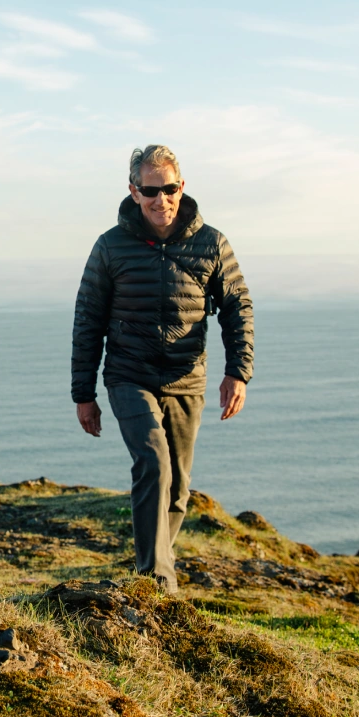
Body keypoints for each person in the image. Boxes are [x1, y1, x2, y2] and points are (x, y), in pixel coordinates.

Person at [71, 145, 254, 593]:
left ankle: (155, 566)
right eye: (150, 190)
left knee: (178, 487)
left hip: (185, 379)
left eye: (168, 189)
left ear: (181, 187)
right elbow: (88, 318)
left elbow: (237, 308)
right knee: (153, 461)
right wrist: (84, 394)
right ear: (134, 191)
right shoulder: (110, 246)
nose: (160, 199)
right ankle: (158, 582)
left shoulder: (211, 243)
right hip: (128, 376)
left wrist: (238, 372)